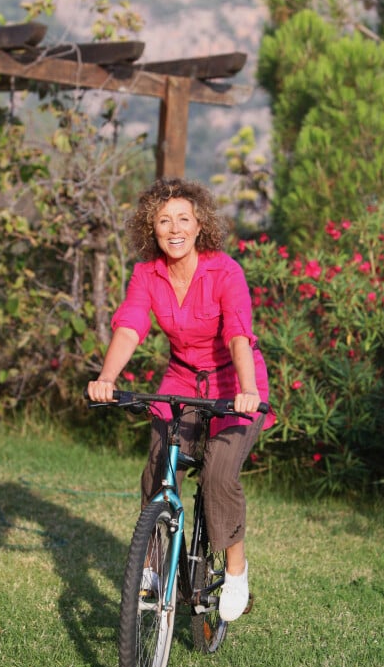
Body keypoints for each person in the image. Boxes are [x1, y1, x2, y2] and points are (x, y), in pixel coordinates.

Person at [87, 177, 274, 621]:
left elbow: (237, 335)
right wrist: (107, 376)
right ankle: (151, 567)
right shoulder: (146, 274)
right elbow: (131, 324)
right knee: (158, 466)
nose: (174, 229)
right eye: (163, 220)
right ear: (150, 229)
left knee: (219, 474)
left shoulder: (225, 271)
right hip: (181, 381)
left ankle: (235, 570)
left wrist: (247, 391)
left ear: (199, 225)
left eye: (183, 219)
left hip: (237, 381)